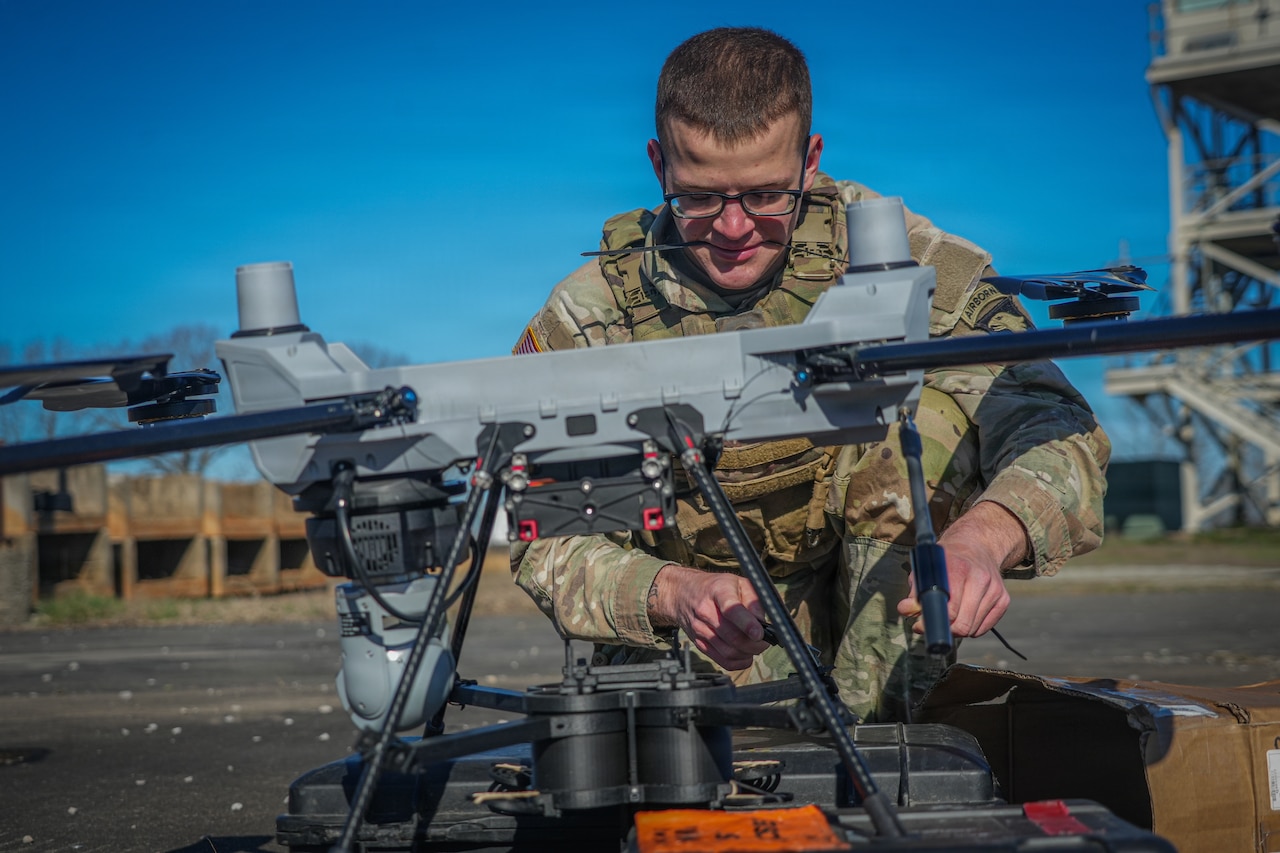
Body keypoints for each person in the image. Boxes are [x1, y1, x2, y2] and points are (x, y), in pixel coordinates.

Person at [510, 27, 1109, 722]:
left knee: (928, 418)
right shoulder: (592, 315)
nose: (733, 228)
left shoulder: (905, 262)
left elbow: (1056, 426)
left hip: (879, 621)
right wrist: (672, 591)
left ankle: (880, 744)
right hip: (702, 644)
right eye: (699, 197)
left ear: (811, 160)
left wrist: (980, 542)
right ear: (658, 166)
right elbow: (549, 536)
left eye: (767, 195)